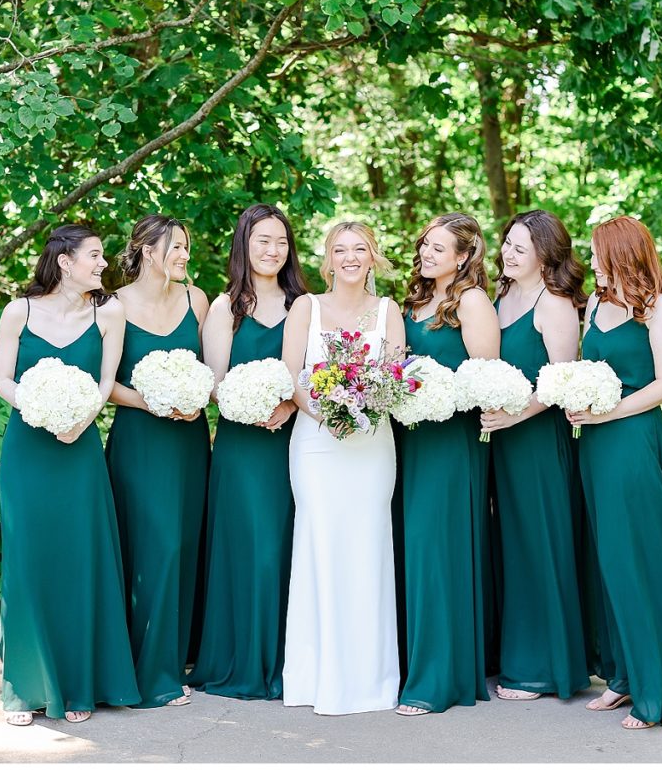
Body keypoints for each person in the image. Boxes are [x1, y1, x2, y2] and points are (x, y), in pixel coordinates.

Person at [573, 215, 662, 729]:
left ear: (621, 254)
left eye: (595, 253)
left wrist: (606, 412)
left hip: (632, 441)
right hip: (592, 444)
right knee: (607, 560)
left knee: (639, 557)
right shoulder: (593, 304)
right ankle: (623, 678)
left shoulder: (658, 310)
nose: (590, 262)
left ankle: (657, 689)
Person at [0, 226, 139, 725]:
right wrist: (37, 407)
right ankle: (25, 688)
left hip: (79, 447)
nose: (102, 264)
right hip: (28, 450)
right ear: (64, 261)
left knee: (81, 559)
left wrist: (81, 418)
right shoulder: (20, 311)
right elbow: (1, 380)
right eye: (94, 256)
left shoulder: (109, 313)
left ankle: (80, 685)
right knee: (30, 561)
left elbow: (105, 381)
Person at [281, 219, 406, 715]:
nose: (350, 257)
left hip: (372, 446)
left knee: (368, 546)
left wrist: (363, 409)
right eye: (340, 249)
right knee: (320, 544)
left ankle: (370, 680)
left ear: (373, 257)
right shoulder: (305, 308)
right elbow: (290, 378)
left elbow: (395, 376)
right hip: (316, 445)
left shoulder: (387, 311)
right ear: (327, 259)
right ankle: (316, 678)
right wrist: (328, 413)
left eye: (360, 249)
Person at [190, 205, 305, 700]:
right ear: (244, 244)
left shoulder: (306, 303)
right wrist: (250, 404)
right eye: (262, 240)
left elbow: (316, 375)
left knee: (287, 548)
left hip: (295, 442)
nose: (272, 250)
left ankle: (291, 659)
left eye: (280, 241)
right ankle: (244, 659)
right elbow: (214, 383)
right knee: (251, 550)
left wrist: (288, 405)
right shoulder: (225, 306)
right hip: (241, 445)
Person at [487, 210, 599, 701]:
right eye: (507, 244)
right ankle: (509, 652)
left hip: (537, 439)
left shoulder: (553, 303)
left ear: (544, 255)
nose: (508, 253)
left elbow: (562, 381)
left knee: (540, 542)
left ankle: (543, 667)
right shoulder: (500, 294)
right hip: (500, 438)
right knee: (509, 543)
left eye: (519, 248)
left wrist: (515, 416)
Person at [396, 212, 500, 714]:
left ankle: (437, 681)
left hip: (451, 443)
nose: (427, 254)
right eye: (425, 246)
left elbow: (482, 379)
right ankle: (412, 664)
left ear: (463, 256)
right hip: (409, 441)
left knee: (435, 550)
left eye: (439, 248)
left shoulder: (473, 302)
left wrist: (434, 391)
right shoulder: (415, 300)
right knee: (412, 552)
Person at [106, 214, 209, 709]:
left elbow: (213, 368)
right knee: (155, 547)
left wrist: (197, 396)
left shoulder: (197, 300)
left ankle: (174, 655)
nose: (185, 256)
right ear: (147, 250)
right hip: (140, 441)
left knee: (185, 545)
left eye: (186, 247)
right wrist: (152, 400)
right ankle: (151, 672)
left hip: (189, 442)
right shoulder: (113, 306)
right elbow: (103, 387)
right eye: (175, 248)